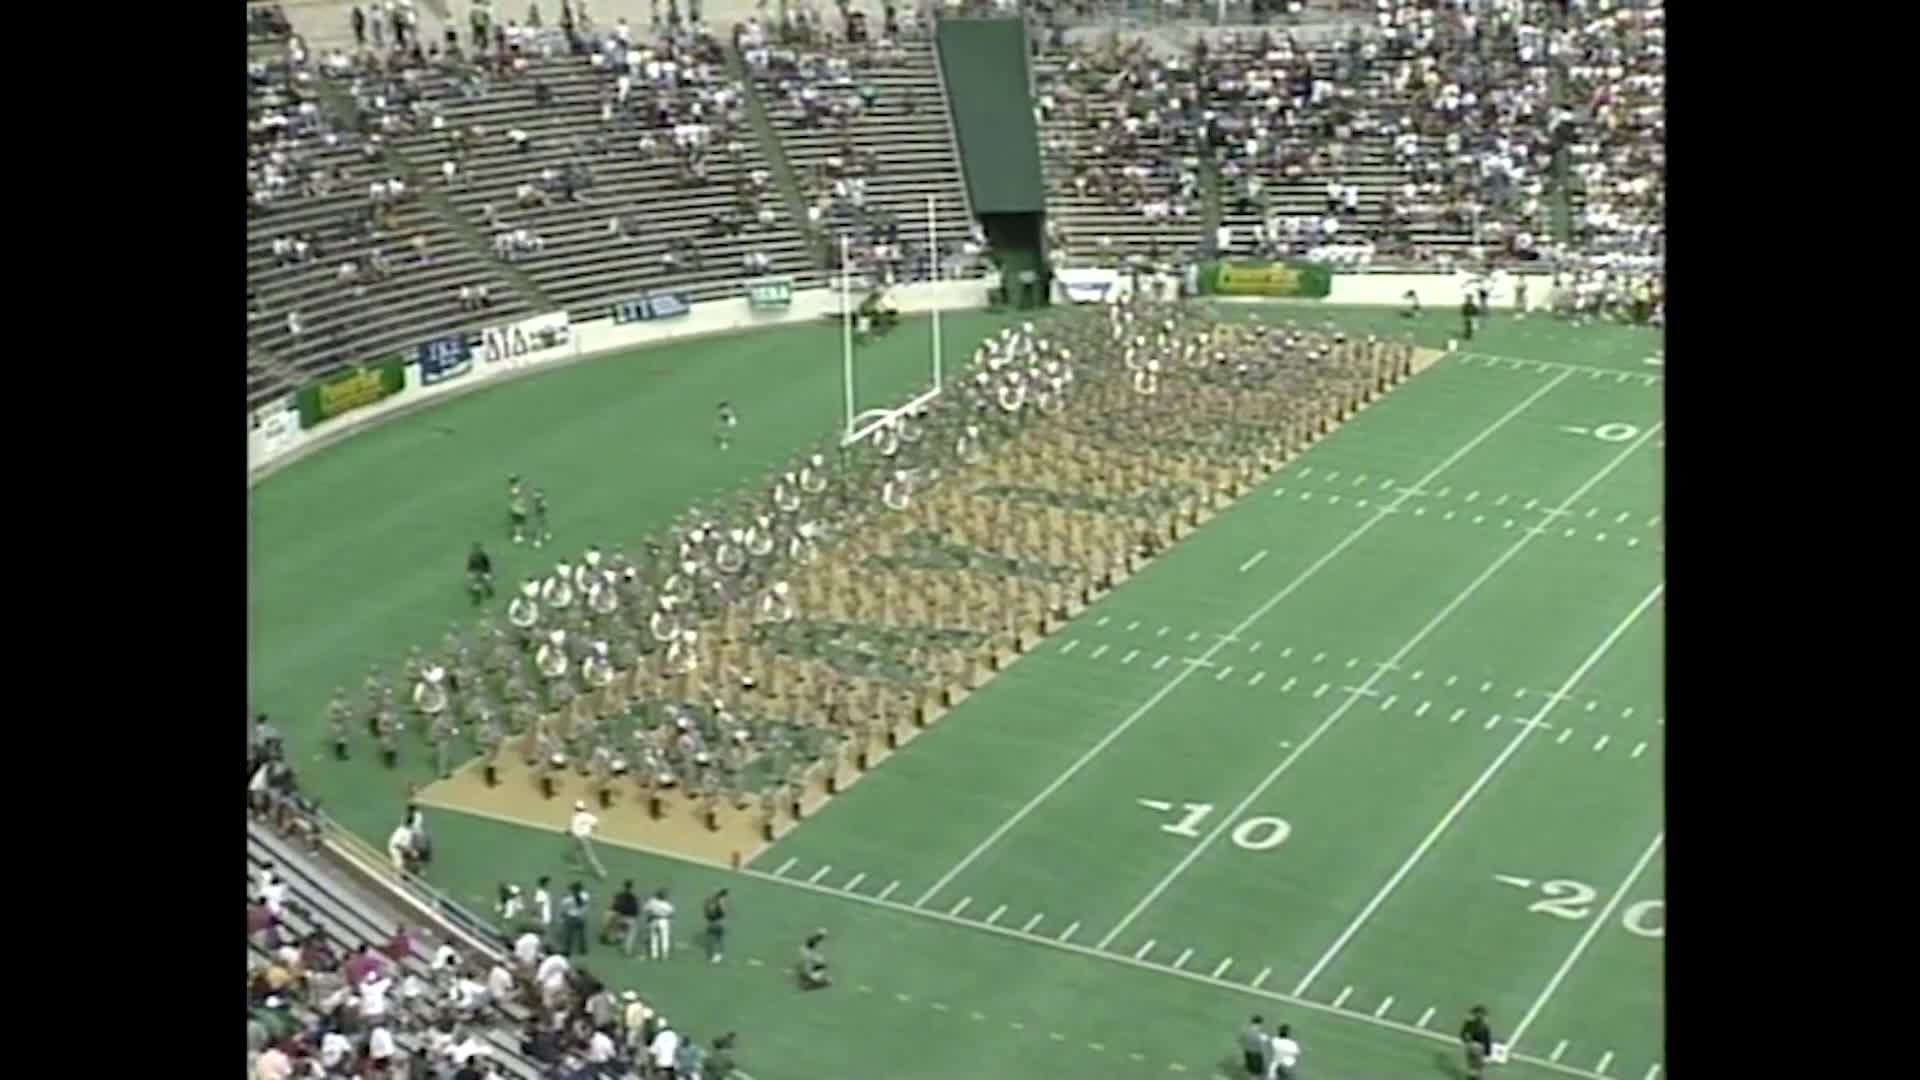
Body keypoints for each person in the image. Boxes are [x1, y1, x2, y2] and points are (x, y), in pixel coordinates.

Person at [568, 800, 607, 877]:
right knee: (576, 851)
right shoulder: (587, 816)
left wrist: (568, 832)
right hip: (584, 837)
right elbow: (595, 823)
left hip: (580, 838)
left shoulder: (575, 818)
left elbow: (573, 830)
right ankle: (580, 865)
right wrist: (595, 830)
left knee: (589, 855)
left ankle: (601, 871)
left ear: (576, 808)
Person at [607, 880, 641, 954]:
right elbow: (636, 910)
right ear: (632, 887)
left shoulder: (619, 896)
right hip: (630, 919)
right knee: (631, 934)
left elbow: (613, 907)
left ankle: (619, 938)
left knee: (621, 930)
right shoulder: (634, 897)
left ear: (624, 886)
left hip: (620, 917)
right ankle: (627, 950)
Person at [1461, 1005, 1494, 1080]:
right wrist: (1488, 1054)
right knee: (1479, 1069)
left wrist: (1467, 1042)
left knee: (1471, 1067)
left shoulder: (1468, 1023)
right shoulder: (1484, 1027)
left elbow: (1462, 1034)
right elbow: (1487, 1041)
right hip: (1479, 1048)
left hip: (1470, 1046)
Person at [642, 888, 675, 961]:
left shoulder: (652, 902)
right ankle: (664, 955)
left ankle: (654, 955)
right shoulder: (667, 904)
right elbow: (671, 913)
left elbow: (645, 909)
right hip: (664, 921)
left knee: (654, 938)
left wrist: (647, 902)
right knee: (664, 938)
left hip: (653, 921)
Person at [703, 888, 729, 963]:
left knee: (713, 939)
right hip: (717, 922)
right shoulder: (721, 901)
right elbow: (723, 912)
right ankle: (718, 955)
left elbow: (706, 908)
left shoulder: (712, 900)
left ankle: (714, 954)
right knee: (718, 940)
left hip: (710, 922)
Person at [507, 476, 528, 545]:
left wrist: (523, 484)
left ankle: (518, 535)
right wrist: (523, 485)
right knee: (519, 523)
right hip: (517, 509)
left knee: (519, 522)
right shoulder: (514, 489)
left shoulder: (513, 487)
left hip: (517, 508)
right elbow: (517, 492)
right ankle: (517, 536)